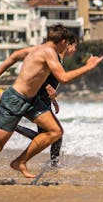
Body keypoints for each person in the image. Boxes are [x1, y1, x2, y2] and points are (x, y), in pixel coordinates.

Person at [0, 24, 103, 182]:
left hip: (31, 100)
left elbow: (15, 55)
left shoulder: (36, 48)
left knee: (55, 132)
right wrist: (88, 67)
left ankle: (20, 161)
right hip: (15, 100)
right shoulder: (49, 52)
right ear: (62, 41)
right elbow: (64, 78)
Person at [14, 33, 78, 167]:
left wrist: (53, 100)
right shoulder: (53, 58)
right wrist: (47, 86)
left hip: (44, 100)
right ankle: (54, 165)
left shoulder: (58, 60)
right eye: (74, 46)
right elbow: (38, 76)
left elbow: (50, 83)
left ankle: (54, 164)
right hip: (39, 100)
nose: (75, 50)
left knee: (51, 135)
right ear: (68, 45)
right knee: (53, 135)